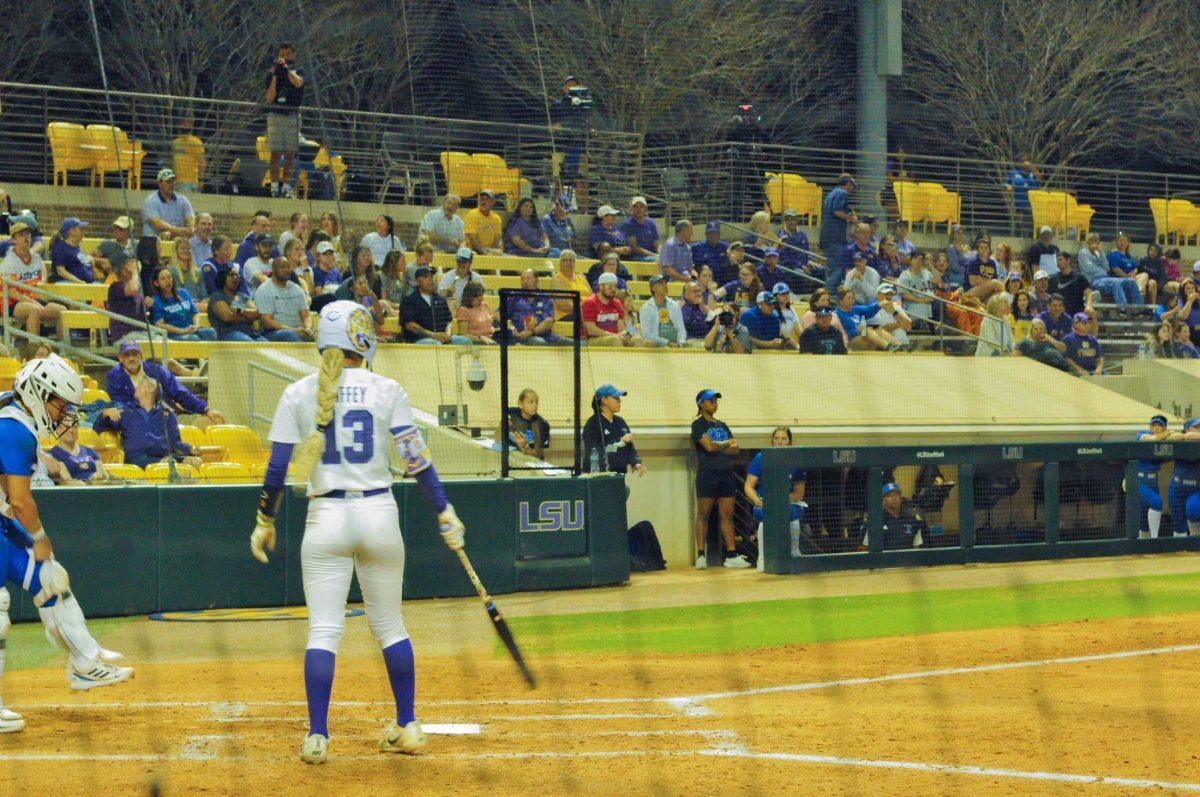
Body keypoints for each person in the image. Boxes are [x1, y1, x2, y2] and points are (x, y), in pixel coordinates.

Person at [247, 300, 467, 763]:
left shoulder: (298, 393)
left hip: (325, 519)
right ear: (362, 338)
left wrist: (264, 521)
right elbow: (416, 460)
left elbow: (276, 473)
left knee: (323, 631)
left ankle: (318, 736)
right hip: (379, 514)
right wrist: (444, 511)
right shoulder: (387, 388)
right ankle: (407, 723)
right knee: (389, 626)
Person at [0, 356, 134, 731]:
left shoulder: (14, 418)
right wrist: (40, 538)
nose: (64, 413)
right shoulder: (14, 429)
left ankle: (85, 663)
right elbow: (22, 502)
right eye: (59, 402)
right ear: (38, 393)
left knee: (50, 577)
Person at [691, 390, 751, 569]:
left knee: (727, 515)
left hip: (726, 474)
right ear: (701, 404)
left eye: (716, 400)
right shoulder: (698, 425)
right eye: (710, 400)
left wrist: (720, 445)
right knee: (703, 514)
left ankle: (731, 555)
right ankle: (701, 556)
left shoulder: (722, 425)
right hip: (707, 474)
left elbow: (736, 449)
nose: (715, 403)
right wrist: (724, 445)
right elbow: (708, 447)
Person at [95, 378, 202, 471]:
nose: (135, 387)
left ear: (151, 389)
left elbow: (174, 443)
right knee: (166, 464)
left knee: (194, 462)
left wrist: (190, 450)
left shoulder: (166, 414)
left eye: (140, 385)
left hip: (164, 456)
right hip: (136, 458)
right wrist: (104, 414)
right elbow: (97, 428)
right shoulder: (126, 411)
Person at [105, 340, 220, 421]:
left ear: (140, 355)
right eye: (126, 355)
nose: (131, 358)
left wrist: (205, 409)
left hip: (169, 415)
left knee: (211, 421)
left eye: (134, 354)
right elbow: (120, 403)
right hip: (139, 421)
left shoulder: (156, 370)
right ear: (120, 358)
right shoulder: (114, 376)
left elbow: (180, 393)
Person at [744, 426, 806, 563]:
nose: (780, 441)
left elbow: (799, 492)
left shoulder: (796, 460)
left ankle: (795, 554)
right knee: (765, 515)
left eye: (783, 439)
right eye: (776, 438)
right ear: (772, 441)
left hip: (788, 502)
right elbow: (748, 486)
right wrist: (756, 500)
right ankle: (763, 559)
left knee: (793, 514)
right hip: (764, 502)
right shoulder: (761, 458)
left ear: (789, 442)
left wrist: (781, 500)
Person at [1, 221, 64, 345]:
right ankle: (33, 350)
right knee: (33, 310)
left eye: (28, 235)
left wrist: (43, 280)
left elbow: (43, 275)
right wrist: (34, 303)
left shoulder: (36, 258)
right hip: (11, 302)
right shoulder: (9, 262)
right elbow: (12, 292)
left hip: (33, 299)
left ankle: (62, 350)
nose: (26, 237)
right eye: (22, 235)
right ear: (14, 239)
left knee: (61, 310)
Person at [264, 42, 305, 198]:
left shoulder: (299, 71)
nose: (285, 58)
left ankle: (286, 187)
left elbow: (298, 83)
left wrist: (287, 70)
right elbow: (269, 97)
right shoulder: (273, 72)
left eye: (288, 55)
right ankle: (274, 187)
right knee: (275, 153)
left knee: (290, 154)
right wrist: (275, 75)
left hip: (292, 116)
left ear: (293, 55)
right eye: (282, 55)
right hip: (275, 115)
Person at [582, 384, 645, 480]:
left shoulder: (620, 422)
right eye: (616, 398)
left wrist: (636, 462)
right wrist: (620, 443)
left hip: (618, 476)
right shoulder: (593, 424)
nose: (620, 401)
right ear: (604, 400)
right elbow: (595, 452)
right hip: (598, 478)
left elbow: (629, 446)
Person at [400, 266, 469, 345]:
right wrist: (432, 335)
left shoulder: (441, 299)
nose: (430, 279)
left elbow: (448, 321)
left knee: (464, 341)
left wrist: (447, 334)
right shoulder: (409, 300)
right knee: (435, 344)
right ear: (417, 281)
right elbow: (410, 325)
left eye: (431, 276)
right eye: (426, 277)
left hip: (441, 338)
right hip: (419, 339)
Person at [150, 267, 217, 342]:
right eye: (163, 279)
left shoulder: (183, 293)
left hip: (191, 330)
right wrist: (182, 331)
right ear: (156, 283)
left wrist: (196, 325)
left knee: (211, 333)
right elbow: (159, 325)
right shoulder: (156, 300)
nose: (167, 281)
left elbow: (195, 313)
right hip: (174, 335)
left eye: (169, 277)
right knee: (194, 339)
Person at [256, 257, 315, 342]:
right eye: (283, 267)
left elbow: (306, 315)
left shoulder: (296, 289)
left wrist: (308, 328)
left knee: (315, 337)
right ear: (273, 270)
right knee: (289, 335)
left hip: (296, 331)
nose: (287, 270)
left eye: (288, 267)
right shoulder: (265, 289)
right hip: (272, 333)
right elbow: (267, 322)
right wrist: (292, 330)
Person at [858, 483, 928, 550]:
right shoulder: (875, 521)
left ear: (901, 498)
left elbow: (916, 546)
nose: (894, 498)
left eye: (896, 495)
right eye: (889, 496)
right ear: (883, 499)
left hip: (906, 561)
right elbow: (864, 548)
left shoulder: (912, 520)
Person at [1079, 232, 1139, 306]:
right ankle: (1123, 309)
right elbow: (1089, 268)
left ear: (1098, 242)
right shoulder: (1083, 253)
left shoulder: (1098, 253)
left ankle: (1139, 308)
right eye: (1091, 240)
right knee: (1115, 283)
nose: (1094, 242)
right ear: (1087, 242)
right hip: (1093, 281)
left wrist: (1101, 252)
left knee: (1131, 281)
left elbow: (1107, 267)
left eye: (1096, 240)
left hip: (1105, 278)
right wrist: (1102, 270)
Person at [207, 266, 266, 342]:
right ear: (223, 278)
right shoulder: (217, 296)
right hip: (228, 334)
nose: (235, 278)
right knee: (250, 345)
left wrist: (238, 311)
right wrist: (247, 318)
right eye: (231, 275)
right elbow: (227, 317)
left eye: (237, 275)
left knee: (268, 346)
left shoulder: (243, 296)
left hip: (250, 332)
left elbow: (256, 313)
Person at [1134, 415, 1170, 538]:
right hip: (1139, 480)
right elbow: (1149, 439)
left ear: (1164, 427)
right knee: (1157, 502)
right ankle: (1154, 540)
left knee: (1144, 519)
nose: (1156, 427)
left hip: (1153, 482)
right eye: (1154, 424)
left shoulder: (1164, 442)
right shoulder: (1141, 434)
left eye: (1159, 425)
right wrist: (1166, 434)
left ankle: (1144, 548)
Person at [581, 272, 640, 347]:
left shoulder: (617, 303)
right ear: (600, 286)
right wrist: (614, 335)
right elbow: (591, 330)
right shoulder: (590, 302)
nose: (613, 289)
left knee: (637, 340)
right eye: (610, 286)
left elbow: (621, 328)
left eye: (615, 286)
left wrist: (626, 335)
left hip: (615, 336)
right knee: (615, 340)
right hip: (593, 339)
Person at [505, 269, 562, 346]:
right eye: (522, 279)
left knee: (574, 343)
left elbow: (549, 321)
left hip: (544, 335)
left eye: (528, 278)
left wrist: (531, 332)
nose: (525, 281)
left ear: (536, 280)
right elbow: (498, 314)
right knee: (538, 342)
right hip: (519, 336)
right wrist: (510, 327)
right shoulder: (514, 297)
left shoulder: (545, 297)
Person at [820, 173, 856, 290]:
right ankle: (829, 292)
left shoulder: (831, 194)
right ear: (848, 183)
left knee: (832, 268)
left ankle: (828, 294)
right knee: (843, 265)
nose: (852, 188)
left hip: (825, 236)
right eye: (852, 185)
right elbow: (837, 211)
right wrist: (851, 218)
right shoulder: (842, 193)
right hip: (835, 237)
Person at [141, 168, 195, 242]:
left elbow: (190, 218)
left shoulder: (183, 200)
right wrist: (179, 231)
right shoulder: (151, 201)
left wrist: (191, 228)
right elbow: (157, 223)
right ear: (159, 183)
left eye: (173, 181)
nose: (171, 184)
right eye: (168, 182)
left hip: (176, 243)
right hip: (153, 244)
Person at [1167, 418, 1200, 537]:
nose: (1199, 429)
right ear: (1186, 429)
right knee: (1179, 529)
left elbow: (1191, 436)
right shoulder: (1180, 439)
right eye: (1196, 427)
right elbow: (1172, 437)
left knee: (1194, 508)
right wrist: (1185, 435)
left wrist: (1191, 435)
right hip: (1178, 488)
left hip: (1196, 488)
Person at [104, 255, 146, 349]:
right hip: (124, 335)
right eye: (133, 266)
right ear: (123, 271)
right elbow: (133, 288)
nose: (138, 269)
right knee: (158, 348)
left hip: (142, 332)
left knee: (169, 348)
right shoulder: (115, 287)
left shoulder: (140, 289)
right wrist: (135, 272)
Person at [497, 388, 550, 460]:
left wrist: (525, 446)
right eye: (531, 402)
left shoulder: (543, 425)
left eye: (536, 402)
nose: (535, 406)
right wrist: (502, 426)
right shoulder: (510, 413)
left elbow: (538, 454)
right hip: (511, 457)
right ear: (520, 404)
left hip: (530, 461)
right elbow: (497, 438)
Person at [49, 217, 95, 283]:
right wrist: (79, 282)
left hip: (87, 284)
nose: (83, 231)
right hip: (71, 285)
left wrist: (89, 261)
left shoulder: (76, 247)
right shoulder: (61, 247)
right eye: (81, 229)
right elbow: (61, 271)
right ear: (71, 231)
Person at [896, 251, 935, 327]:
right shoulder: (905, 275)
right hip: (912, 308)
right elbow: (905, 294)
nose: (917, 261)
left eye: (920, 259)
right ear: (910, 260)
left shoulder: (927, 273)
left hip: (927, 309)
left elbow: (937, 280)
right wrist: (921, 300)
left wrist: (931, 265)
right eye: (915, 259)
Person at [550, 249, 591, 320]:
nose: (569, 262)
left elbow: (592, 296)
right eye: (565, 260)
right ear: (560, 264)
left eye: (571, 260)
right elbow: (563, 306)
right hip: (568, 314)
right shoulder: (557, 279)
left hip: (587, 311)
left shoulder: (581, 277)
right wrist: (585, 307)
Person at [465, 191, 505, 256]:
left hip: (489, 250)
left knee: (499, 252)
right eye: (482, 199)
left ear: (493, 203)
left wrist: (491, 253)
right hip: (473, 250)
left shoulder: (496, 218)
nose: (483, 201)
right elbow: (472, 239)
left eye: (487, 199)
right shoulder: (471, 215)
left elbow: (497, 239)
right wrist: (484, 254)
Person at [778, 209, 814, 277]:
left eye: (792, 219)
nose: (790, 222)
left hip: (804, 264)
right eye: (787, 220)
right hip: (789, 266)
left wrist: (810, 260)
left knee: (822, 270)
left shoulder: (802, 234)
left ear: (797, 220)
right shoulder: (782, 236)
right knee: (801, 273)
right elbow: (785, 258)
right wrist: (800, 266)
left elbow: (807, 250)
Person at [1004, 156, 1040, 224]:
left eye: (1026, 160)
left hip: (1034, 205)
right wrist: (1009, 188)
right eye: (1022, 161)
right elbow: (1006, 183)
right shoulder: (1014, 173)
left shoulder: (1032, 172)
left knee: (1033, 225)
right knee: (1020, 225)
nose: (1025, 162)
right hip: (1020, 205)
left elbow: (1039, 178)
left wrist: (1032, 167)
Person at [944, 224, 970, 288]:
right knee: (971, 280)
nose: (961, 235)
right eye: (958, 233)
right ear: (953, 235)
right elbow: (955, 267)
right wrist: (968, 271)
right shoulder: (951, 248)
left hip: (967, 273)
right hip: (955, 275)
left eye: (962, 233)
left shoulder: (967, 246)